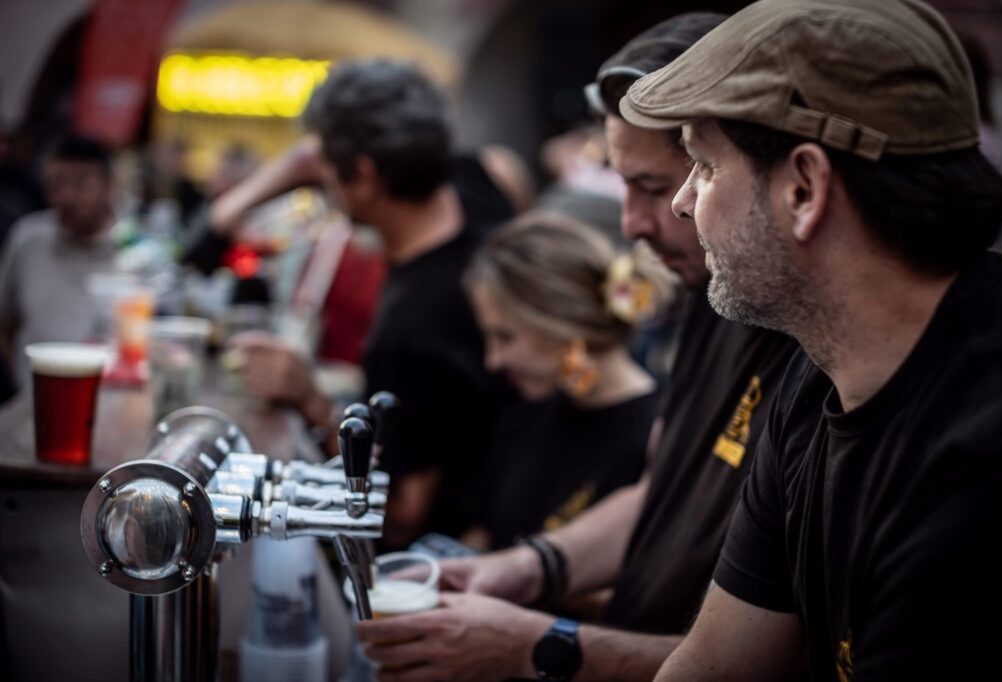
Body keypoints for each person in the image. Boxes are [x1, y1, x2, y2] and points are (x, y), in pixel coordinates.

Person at [354, 14, 799, 681]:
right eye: (624, 184)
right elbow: (659, 492)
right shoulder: (716, 297)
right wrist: (523, 569)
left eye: (659, 185)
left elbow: (769, 665)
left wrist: (535, 643)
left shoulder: (807, 352)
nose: (632, 223)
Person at [613, 0, 1002, 679]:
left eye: (704, 166)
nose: (684, 203)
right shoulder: (822, 371)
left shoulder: (987, 454)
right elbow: (716, 664)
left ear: (804, 189)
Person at [229, 59, 511, 549]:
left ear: (362, 176)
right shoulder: (475, 185)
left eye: (325, 167)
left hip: (447, 554)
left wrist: (311, 401)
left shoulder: (410, 329)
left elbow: (402, 513)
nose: (318, 177)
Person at [462, 211, 672, 550]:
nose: (493, 360)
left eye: (504, 337)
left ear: (562, 322)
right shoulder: (525, 414)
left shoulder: (657, 436)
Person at [0, 135, 116, 387]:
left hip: (109, 394)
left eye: (80, 184)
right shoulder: (28, 238)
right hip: (34, 394)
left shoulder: (133, 251)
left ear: (108, 186)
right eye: (55, 185)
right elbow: (5, 321)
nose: (66, 197)